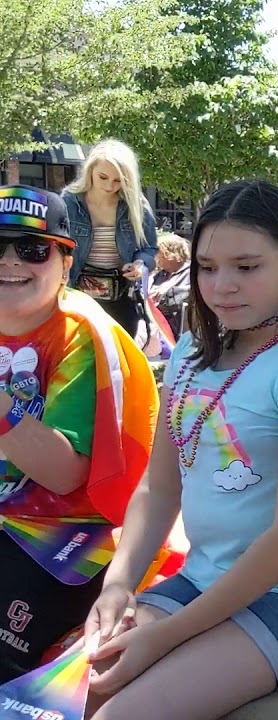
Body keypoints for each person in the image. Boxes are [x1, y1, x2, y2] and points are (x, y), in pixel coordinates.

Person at [83, 180, 278, 720]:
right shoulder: (195, 345)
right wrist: (118, 587)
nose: (222, 286)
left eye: (247, 266)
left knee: (122, 716)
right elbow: (159, 485)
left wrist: (166, 635)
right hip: (206, 578)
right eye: (208, 266)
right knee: (87, 687)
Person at [0, 184, 158, 682]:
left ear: (67, 263)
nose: (10, 262)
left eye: (31, 249)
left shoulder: (82, 336)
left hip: (66, 531)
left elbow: (64, 473)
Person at [62, 139, 159, 333]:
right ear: (90, 171)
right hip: (76, 294)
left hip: (122, 296)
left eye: (118, 180)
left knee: (120, 357)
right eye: (103, 177)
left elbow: (149, 249)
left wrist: (140, 265)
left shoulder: (135, 204)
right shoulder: (68, 202)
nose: (109, 186)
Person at [148, 234, 191, 332]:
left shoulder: (192, 273)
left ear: (170, 254)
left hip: (178, 329)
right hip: (156, 326)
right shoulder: (159, 274)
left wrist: (166, 293)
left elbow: (192, 293)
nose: (157, 257)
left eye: (159, 253)